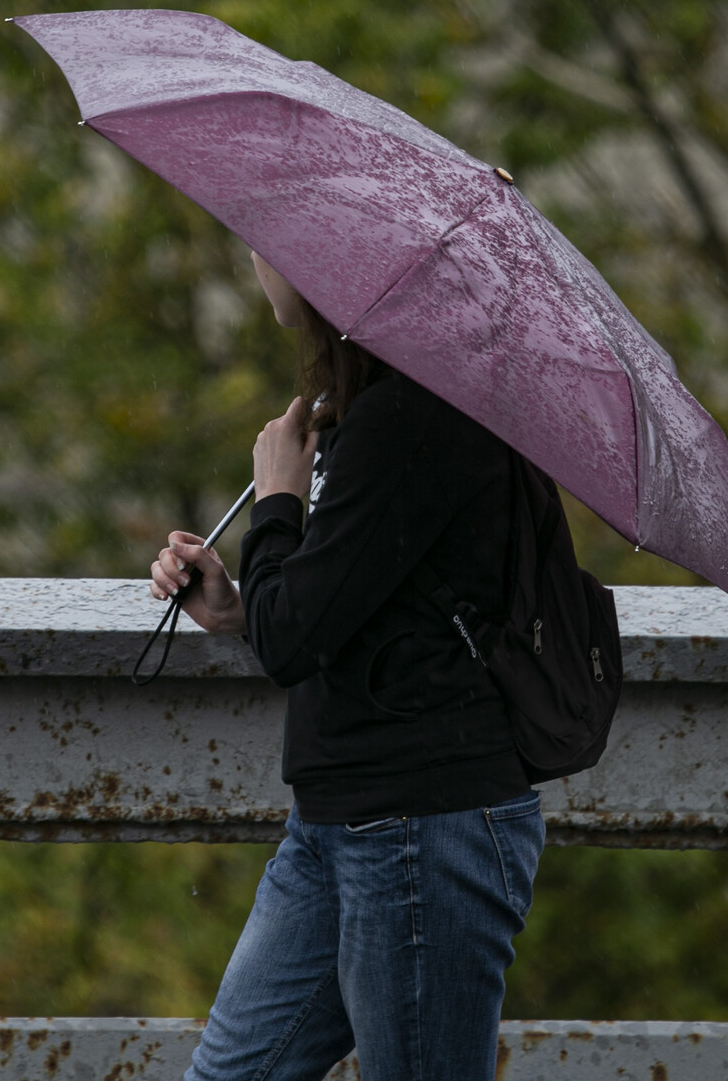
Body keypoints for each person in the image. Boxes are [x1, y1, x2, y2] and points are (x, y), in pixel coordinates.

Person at [148, 250, 545, 1081]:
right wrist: (237, 606)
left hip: (420, 830)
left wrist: (278, 502)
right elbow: (338, 613)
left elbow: (298, 635)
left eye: (266, 243)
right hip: (339, 825)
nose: (256, 256)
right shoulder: (369, 414)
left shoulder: (411, 419)